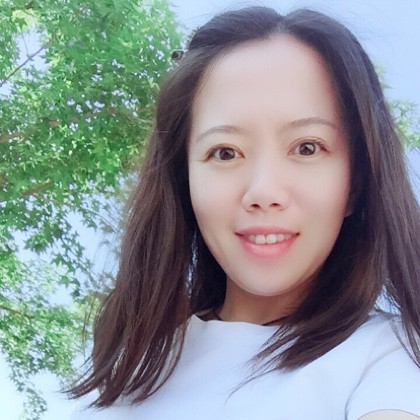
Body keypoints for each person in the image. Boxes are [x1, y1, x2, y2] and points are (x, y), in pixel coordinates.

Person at [69, 6, 420, 419]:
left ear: (356, 182)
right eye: (225, 152)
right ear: (184, 180)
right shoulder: (132, 363)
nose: (263, 192)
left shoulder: (390, 360)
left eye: (307, 147)